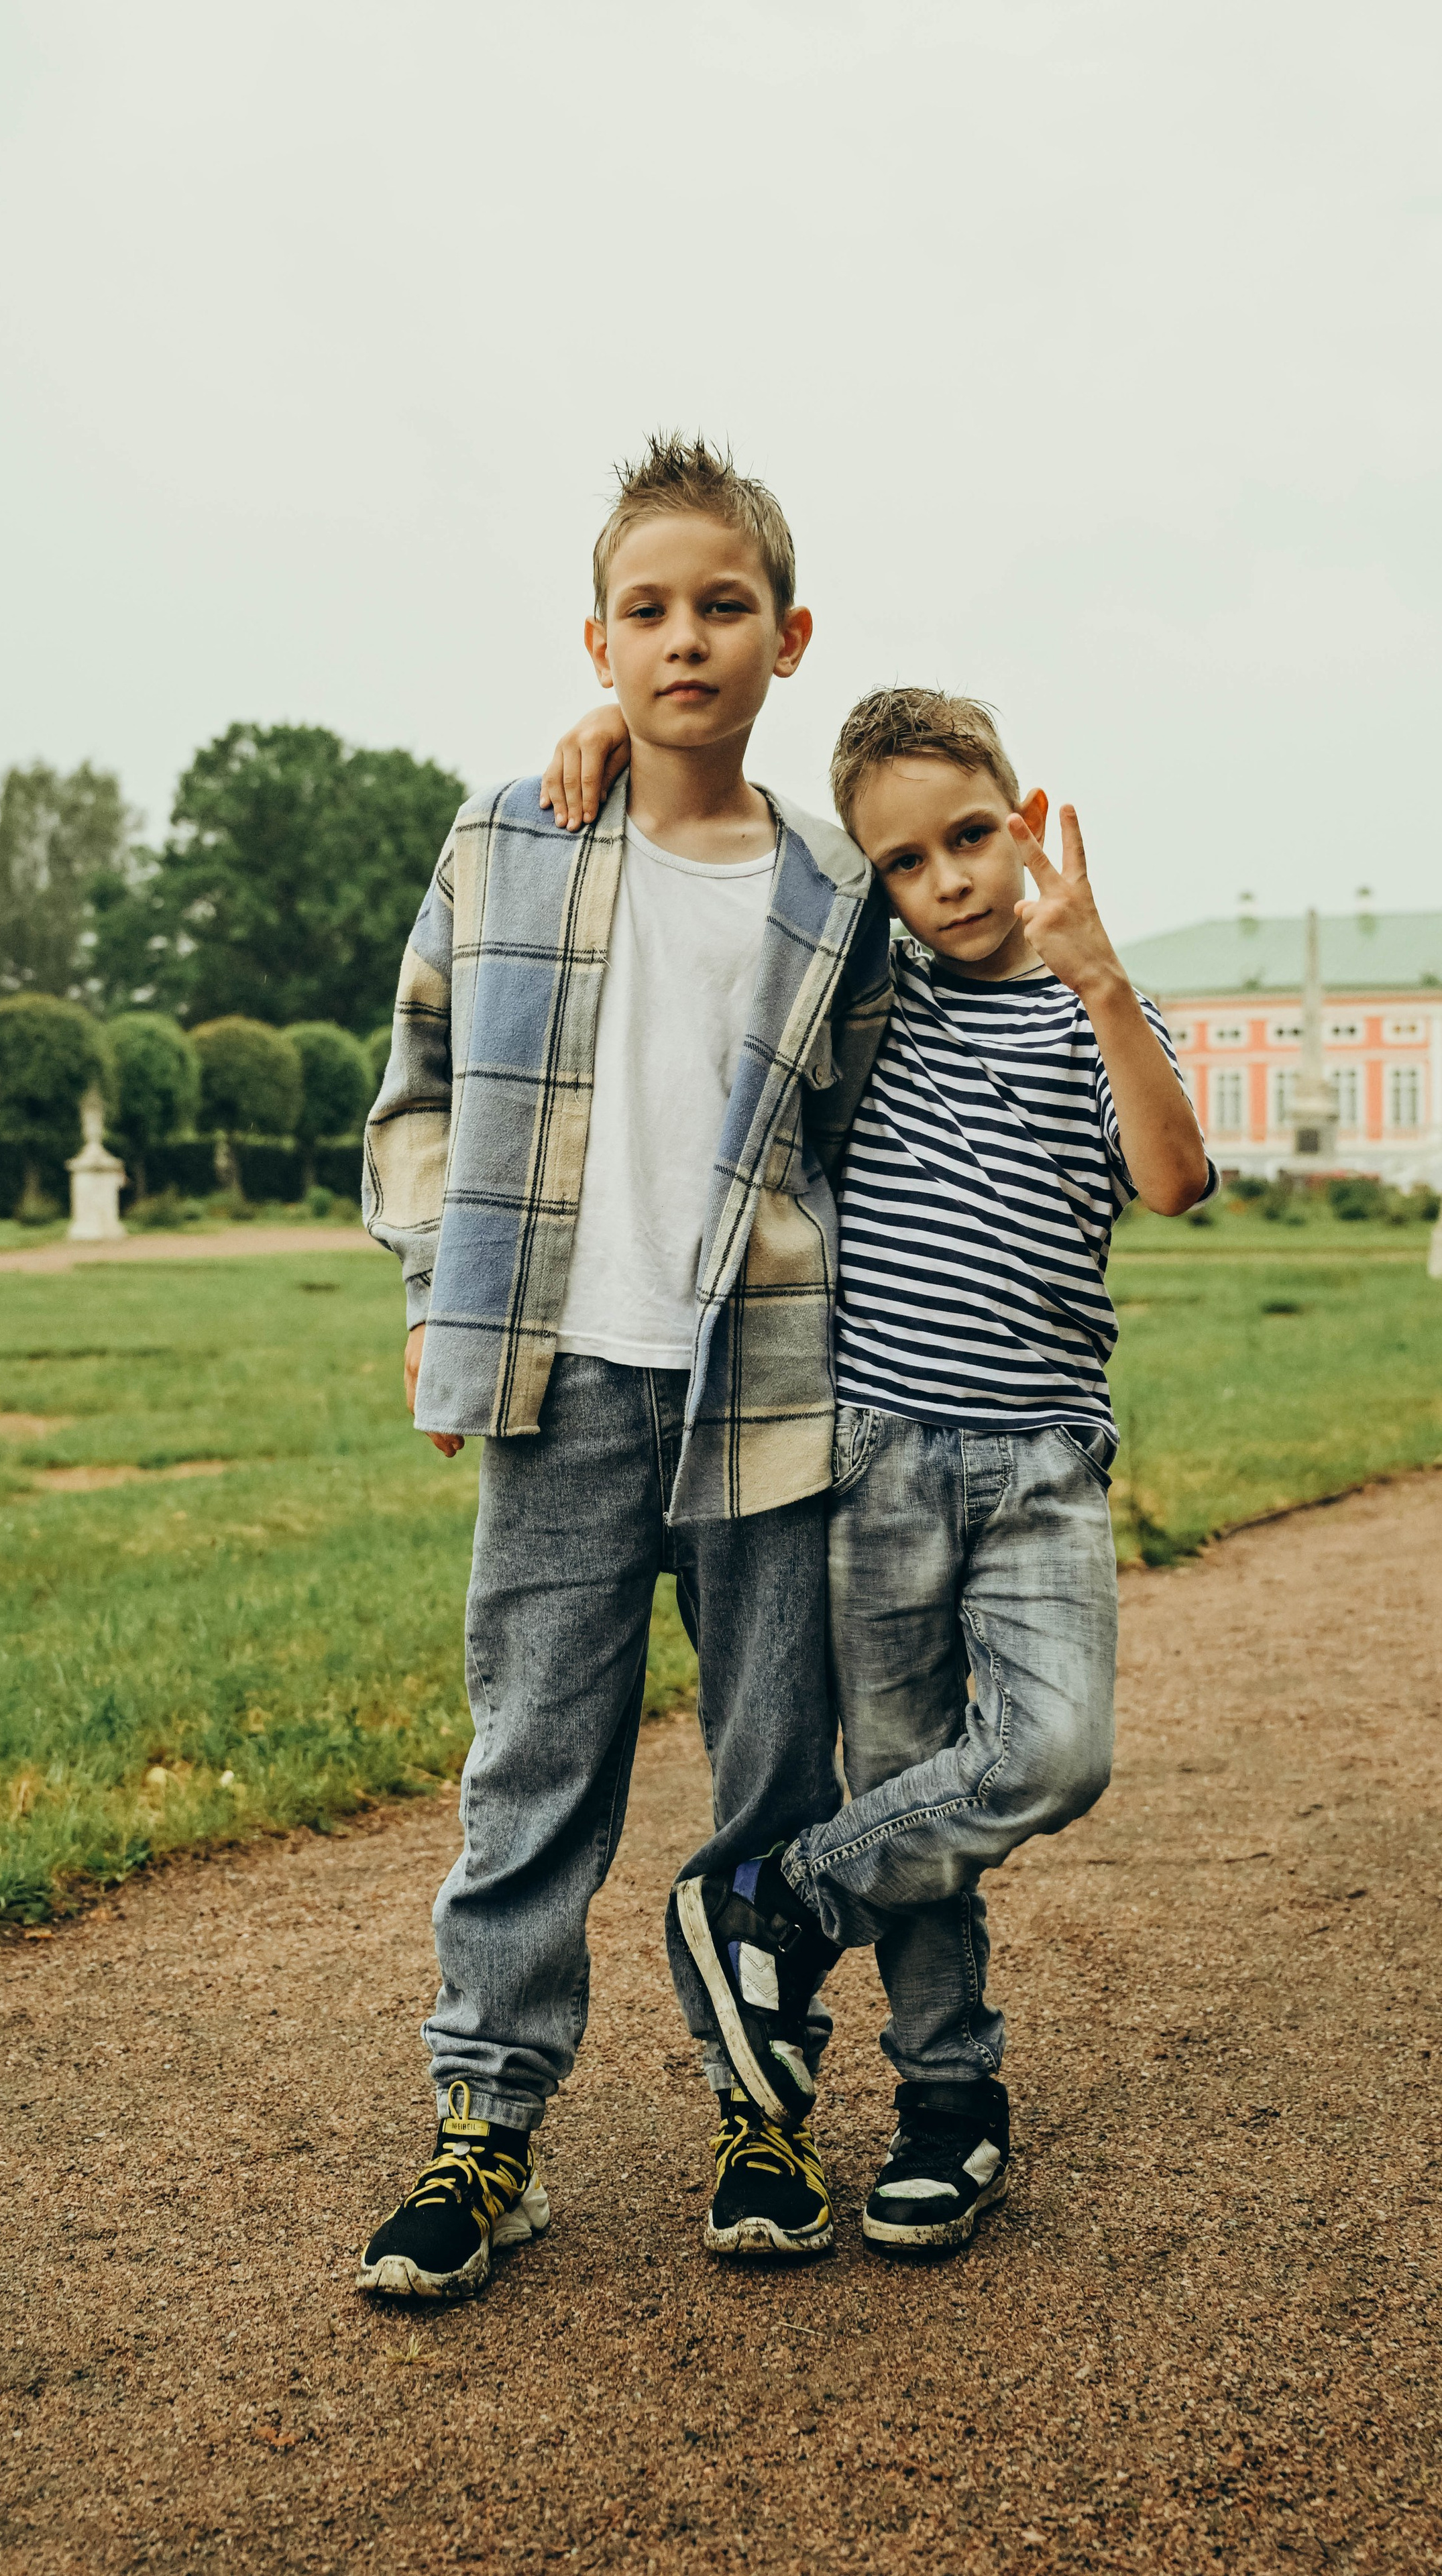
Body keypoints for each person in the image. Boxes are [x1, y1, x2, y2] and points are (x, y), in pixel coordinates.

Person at [545, 685, 1213, 2253]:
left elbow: (1172, 1180)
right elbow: (717, 847)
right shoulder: (872, 991)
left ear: (1023, 817)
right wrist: (608, 730)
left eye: (972, 838)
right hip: (877, 1456)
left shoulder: (1092, 1008)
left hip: (1040, 1457)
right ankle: (945, 2105)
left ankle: (772, 1895)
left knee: (1050, 1755)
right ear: (880, 882)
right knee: (909, 1779)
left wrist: (1103, 980)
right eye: (907, 863)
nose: (951, 882)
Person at [354, 436, 891, 2298]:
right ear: (597, 641)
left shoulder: (839, 893)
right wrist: (441, 1288)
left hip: (771, 1389)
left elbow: (877, 1143)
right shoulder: (509, 834)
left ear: (787, 636)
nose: (686, 639)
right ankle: (487, 2135)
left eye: (722, 607)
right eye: (648, 610)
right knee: (537, 1770)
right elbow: (419, 1088)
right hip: (565, 1385)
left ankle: (765, 2104)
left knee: (774, 1777)